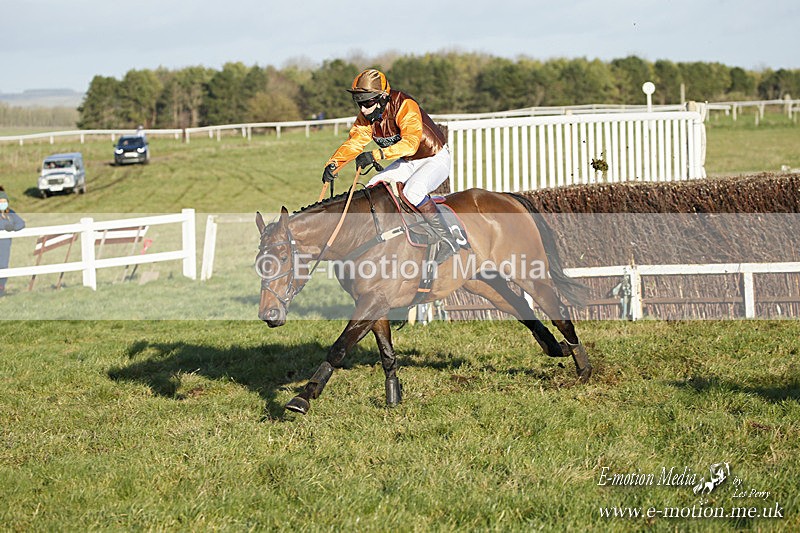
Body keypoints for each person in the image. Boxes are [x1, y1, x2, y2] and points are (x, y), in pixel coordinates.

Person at [322, 68, 458, 263]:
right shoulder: (367, 117)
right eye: (360, 103)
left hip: (434, 157)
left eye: (368, 103)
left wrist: (376, 155)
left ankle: (447, 239)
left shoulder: (404, 105)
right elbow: (355, 143)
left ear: (383, 97)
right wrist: (334, 164)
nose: (363, 110)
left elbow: (410, 144)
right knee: (374, 187)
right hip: (408, 161)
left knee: (413, 192)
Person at [0, 187, 26, 296]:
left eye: (4, 202)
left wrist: (13, 227)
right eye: (1, 202)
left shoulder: (10, 213)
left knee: (4, 266)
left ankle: (1, 288)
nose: (3, 204)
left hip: (5, 245)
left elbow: (21, 223)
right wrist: (4, 226)